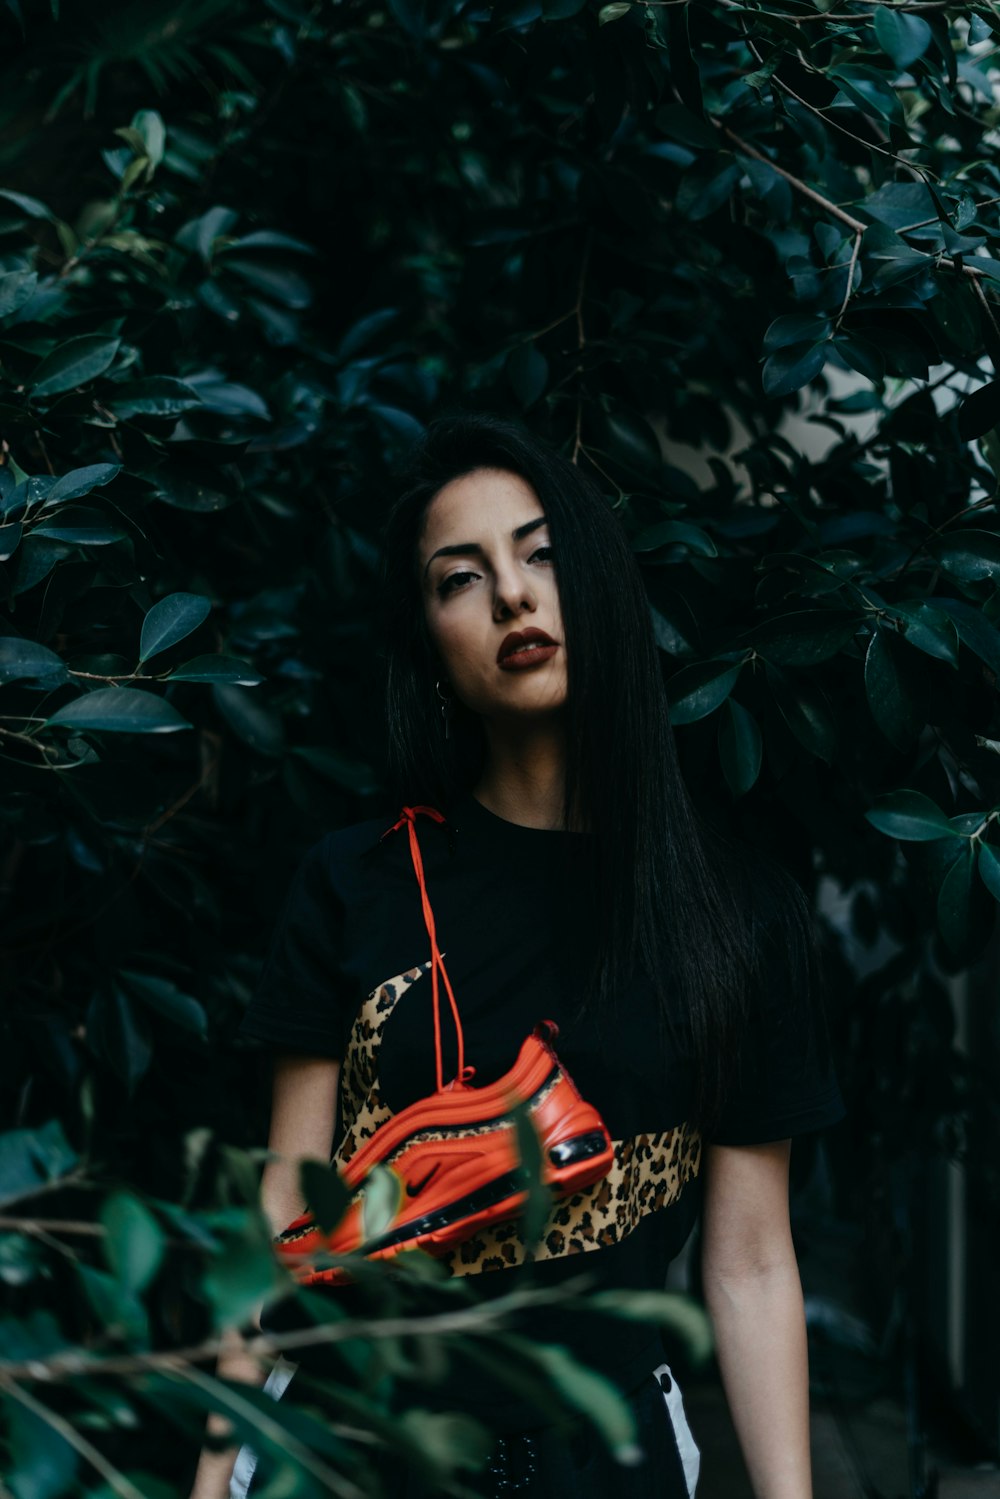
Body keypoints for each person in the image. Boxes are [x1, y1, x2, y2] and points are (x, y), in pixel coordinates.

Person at [187, 409, 845, 1499]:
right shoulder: (353, 882)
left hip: (610, 1459)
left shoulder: (736, 911)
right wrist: (213, 1478)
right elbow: (282, 1222)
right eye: (460, 577)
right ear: (431, 643)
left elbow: (752, 1260)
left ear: (598, 586)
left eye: (542, 554)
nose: (511, 595)